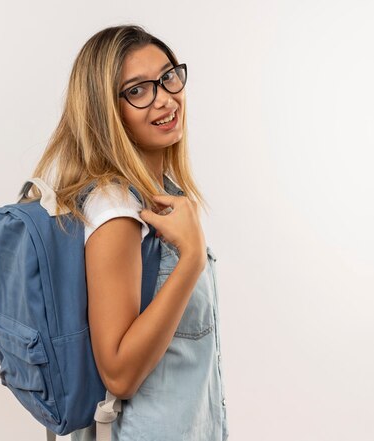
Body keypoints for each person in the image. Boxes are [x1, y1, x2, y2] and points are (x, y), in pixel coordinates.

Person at [23, 25, 228, 441]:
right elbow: (118, 373)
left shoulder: (159, 197)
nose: (165, 98)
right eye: (138, 90)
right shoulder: (116, 210)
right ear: (105, 110)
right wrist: (190, 258)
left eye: (168, 76)